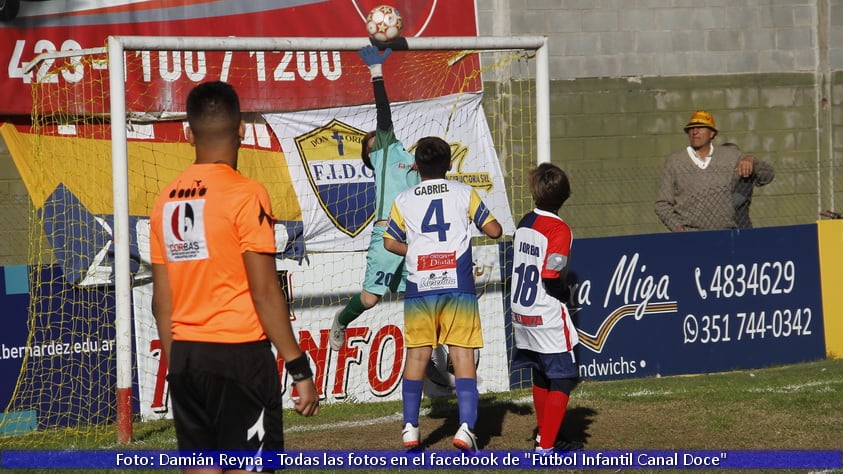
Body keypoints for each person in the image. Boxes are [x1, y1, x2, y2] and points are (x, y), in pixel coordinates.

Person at [150, 81, 318, 470]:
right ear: (242, 128)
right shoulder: (247, 193)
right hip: (238, 357)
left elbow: (163, 302)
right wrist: (298, 367)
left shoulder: (165, 199)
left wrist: (179, 369)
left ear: (188, 133)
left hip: (186, 358)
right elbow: (264, 292)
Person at [383, 136, 503, 452]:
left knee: (418, 355)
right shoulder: (465, 193)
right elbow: (495, 230)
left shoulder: (404, 199)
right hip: (457, 285)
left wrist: (417, 250)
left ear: (416, 166)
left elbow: (389, 242)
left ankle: (410, 428)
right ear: (450, 165)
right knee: (463, 355)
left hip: (420, 285)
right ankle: (466, 429)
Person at [330, 45, 420, 351]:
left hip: (414, 235)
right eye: (371, 144)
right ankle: (341, 321)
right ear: (371, 154)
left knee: (422, 295)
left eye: (375, 139)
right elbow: (384, 113)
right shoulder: (383, 153)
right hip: (388, 233)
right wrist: (377, 74)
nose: (376, 140)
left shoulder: (409, 157)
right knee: (370, 299)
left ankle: (434, 355)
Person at [510, 163, 582, 453]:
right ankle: (547, 448)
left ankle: (545, 435)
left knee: (541, 373)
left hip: (520, 311)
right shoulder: (559, 229)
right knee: (564, 378)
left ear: (534, 191)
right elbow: (552, 275)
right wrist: (565, 293)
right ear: (566, 195)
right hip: (544, 311)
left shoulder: (525, 221)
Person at [654, 110, 775, 231]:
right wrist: (679, 229)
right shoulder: (675, 161)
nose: (695, 132)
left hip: (726, 233)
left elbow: (767, 175)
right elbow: (662, 204)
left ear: (712, 133)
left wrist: (752, 160)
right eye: (691, 129)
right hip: (690, 236)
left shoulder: (730, 156)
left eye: (700, 128)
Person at [722, 142, 775, 228]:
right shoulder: (714, 175)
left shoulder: (744, 176)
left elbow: (767, 175)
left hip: (741, 227)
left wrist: (752, 160)